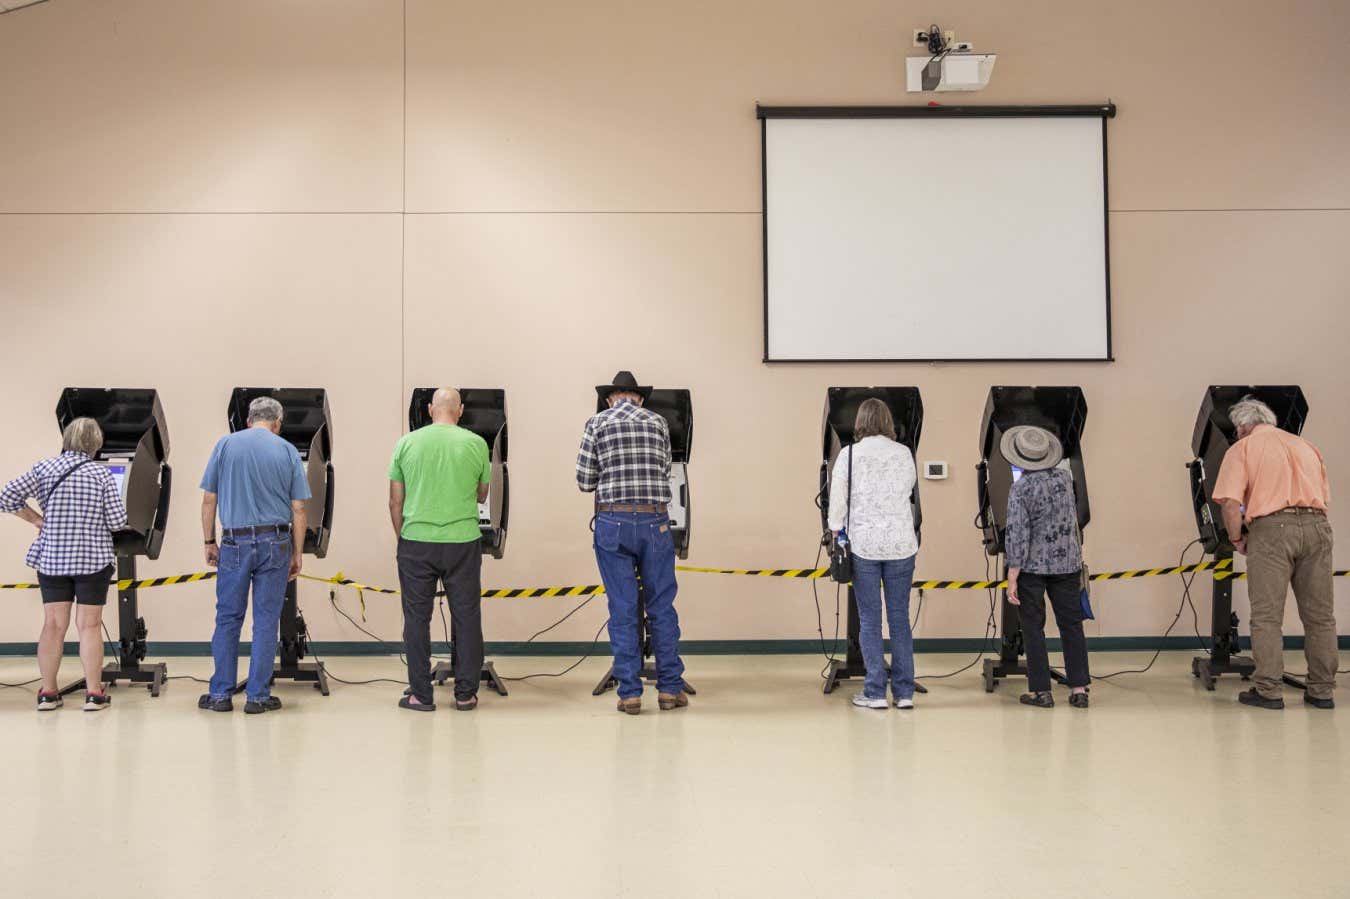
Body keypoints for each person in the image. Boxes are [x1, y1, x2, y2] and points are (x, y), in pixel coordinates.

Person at [1212, 396, 1336, 710]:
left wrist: (1237, 537)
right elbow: (1323, 495)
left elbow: (1229, 502)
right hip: (1318, 526)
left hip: (1272, 530)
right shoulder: (1306, 446)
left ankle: (1269, 691)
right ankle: (1322, 691)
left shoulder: (1242, 448)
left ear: (1242, 427)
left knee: (1267, 616)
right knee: (1320, 617)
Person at [577, 370, 687, 715]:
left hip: (613, 522)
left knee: (622, 608)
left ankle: (630, 693)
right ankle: (670, 689)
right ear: (639, 397)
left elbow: (584, 480)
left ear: (611, 398)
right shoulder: (658, 423)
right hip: (655, 521)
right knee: (661, 607)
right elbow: (666, 466)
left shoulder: (596, 423)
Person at [0, 418, 127, 712]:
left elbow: (6, 496)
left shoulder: (44, 468)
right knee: (89, 626)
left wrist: (35, 519)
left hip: (53, 559)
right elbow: (117, 521)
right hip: (92, 560)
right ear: (96, 444)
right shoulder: (101, 474)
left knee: (53, 625)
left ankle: (48, 693)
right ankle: (95, 694)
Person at [198, 396, 310, 715]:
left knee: (228, 618)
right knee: (265, 620)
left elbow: (209, 500)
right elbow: (299, 507)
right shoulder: (286, 450)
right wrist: (297, 552)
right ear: (277, 423)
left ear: (248, 421)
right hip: (275, 542)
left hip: (234, 542)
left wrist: (209, 540)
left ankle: (220, 694)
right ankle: (257, 696)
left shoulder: (225, 445)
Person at [388, 388, 491, 712]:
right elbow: (481, 493)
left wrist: (403, 537)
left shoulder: (406, 443)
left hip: (416, 541)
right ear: (459, 410)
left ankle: (421, 694)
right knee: (467, 616)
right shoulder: (476, 444)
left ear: (431, 409)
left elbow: (395, 500)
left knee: (416, 619)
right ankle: (465, 694)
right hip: (462, 541)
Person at [827, 398, 919, 710]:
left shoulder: (849, 454)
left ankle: (875, 692)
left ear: (861, 422)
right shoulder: (904, 453)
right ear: (888, 422)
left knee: (869, 619)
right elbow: (909, 491)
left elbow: (837, 499)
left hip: (864, 544)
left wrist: (835, 531)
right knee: (899, 618)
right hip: (901, 544)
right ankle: (905, 692)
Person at [1002, 425, 1091, 709]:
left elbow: (1017, 533)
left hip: (1032, 567)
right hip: (1067, 563)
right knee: (1071, 625)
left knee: (1033, 627)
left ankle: (1042, 692)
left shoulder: (1021, 489)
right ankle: (1079, 689)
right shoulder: (1065, 479)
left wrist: (1012, 575)